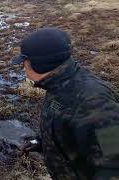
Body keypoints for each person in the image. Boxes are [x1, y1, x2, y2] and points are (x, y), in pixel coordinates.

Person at [12, 27, 119, 180]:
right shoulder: (59, 85)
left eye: (24, 61)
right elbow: (67, 123)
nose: (22, 67)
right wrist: (43, 143)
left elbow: (114, 164)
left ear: (39, 64)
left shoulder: (95, 103)